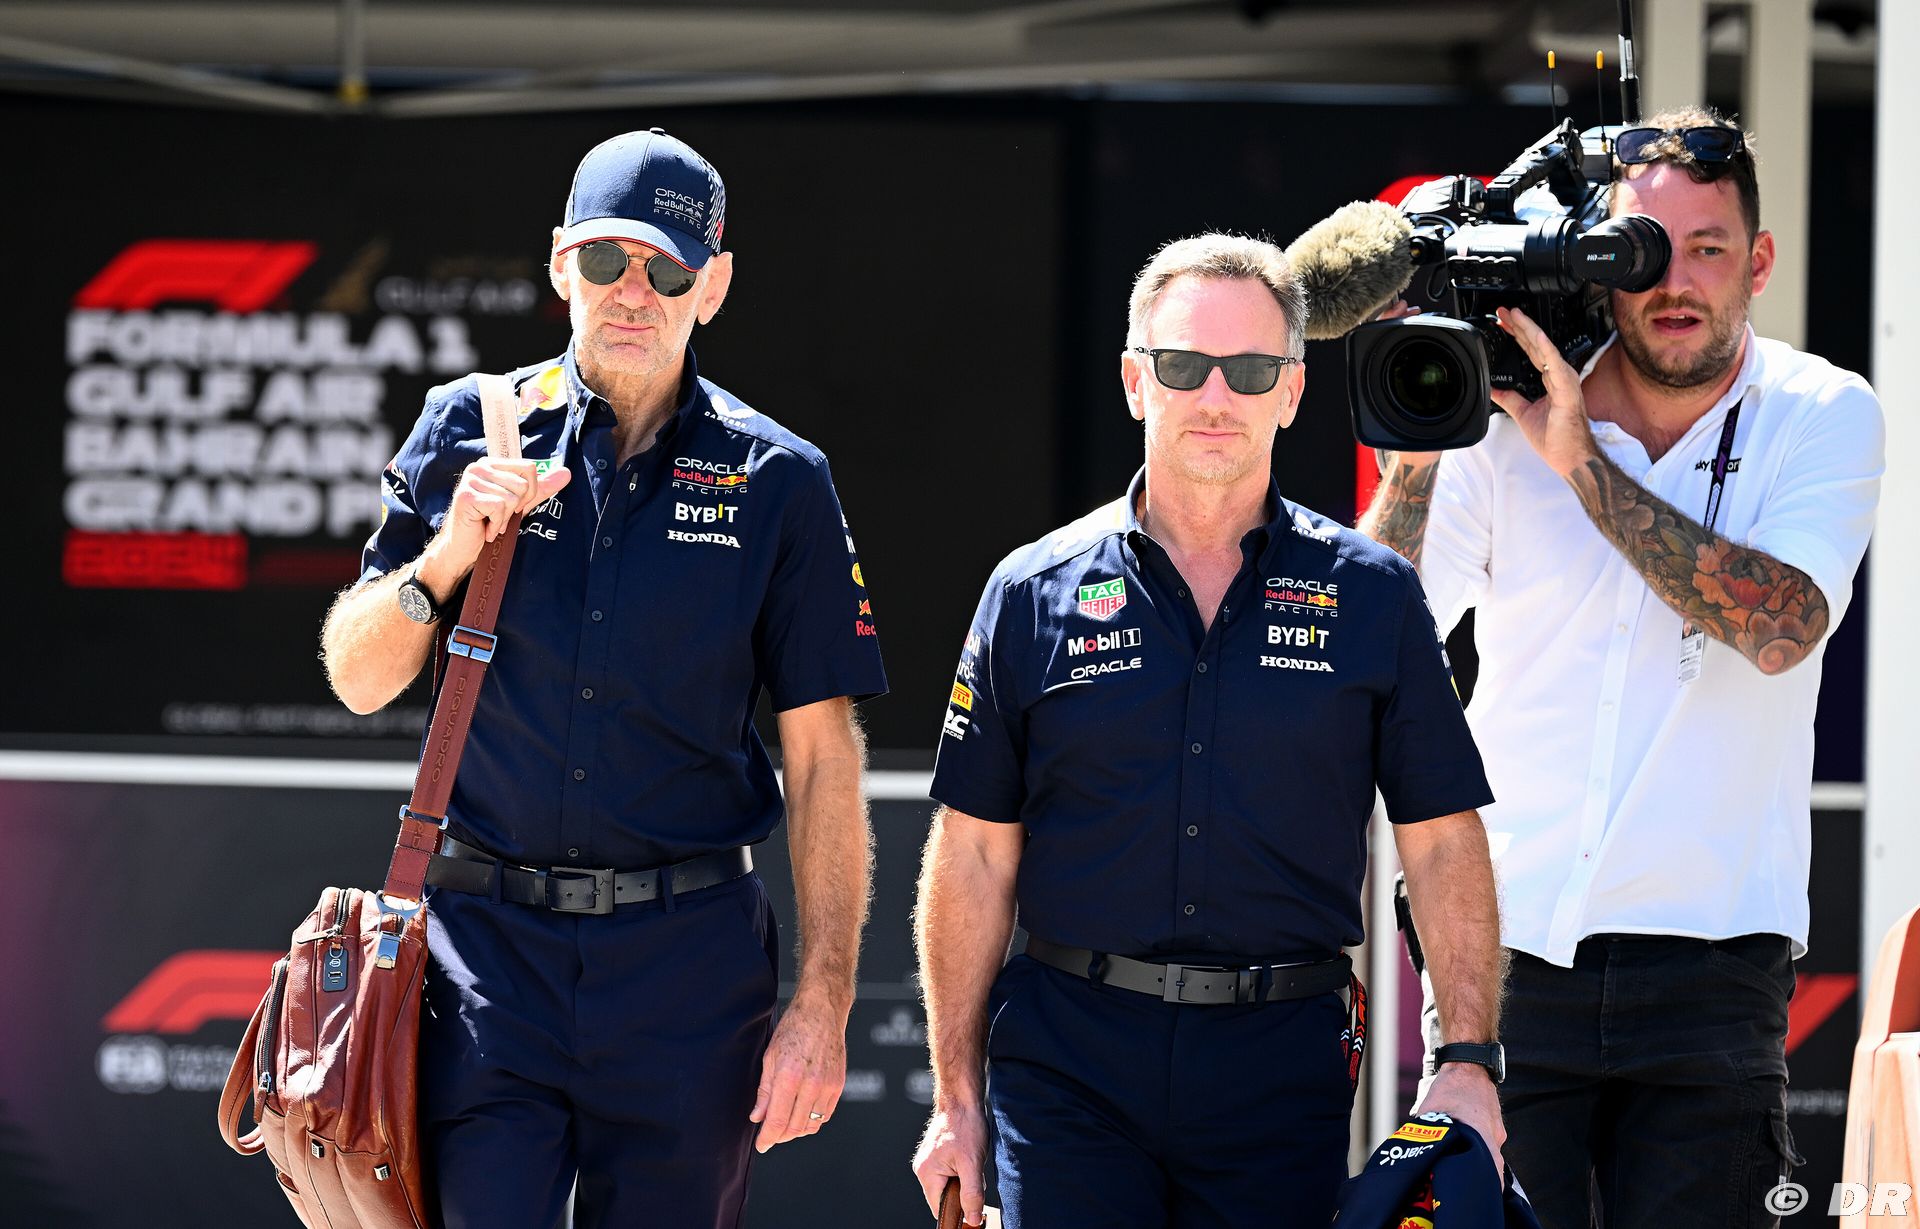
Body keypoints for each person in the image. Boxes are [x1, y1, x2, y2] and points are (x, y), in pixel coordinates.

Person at [319, 127, 887, 1229]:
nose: (634, 290)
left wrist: (824, 1001)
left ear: (713, 287)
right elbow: (357, 675)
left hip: (690, 963)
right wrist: (446, 555)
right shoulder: (469, 424)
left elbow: (823, 756)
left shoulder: (781, 477)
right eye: (606, 257)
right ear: (559, 264)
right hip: (486, 956)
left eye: (668, 269)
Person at [910, 233, 1507, 1229]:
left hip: (1281, 1066)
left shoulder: (1374, 596)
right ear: (1135, 382)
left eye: (1251, 370)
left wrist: (1470, 1061)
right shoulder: (1029, 590)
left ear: (1293, 391)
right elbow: (971, 852)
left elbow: (1443, 839)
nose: (1216, 396)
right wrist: (956, 1097)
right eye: (1185, 365)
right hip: (1069, 1062)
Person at [1358, 106, 1885, 1229]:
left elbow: (1783, 626)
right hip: (1504, 955)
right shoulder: (1501, 413)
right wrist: (1417, 447)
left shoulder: (1822, 411)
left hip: (1713, 966)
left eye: (1707, 248)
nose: (1675, 282)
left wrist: (1583, 467)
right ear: (1601, 265)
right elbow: (1382, 629)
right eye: (1642, 251)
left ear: (1759, 262)